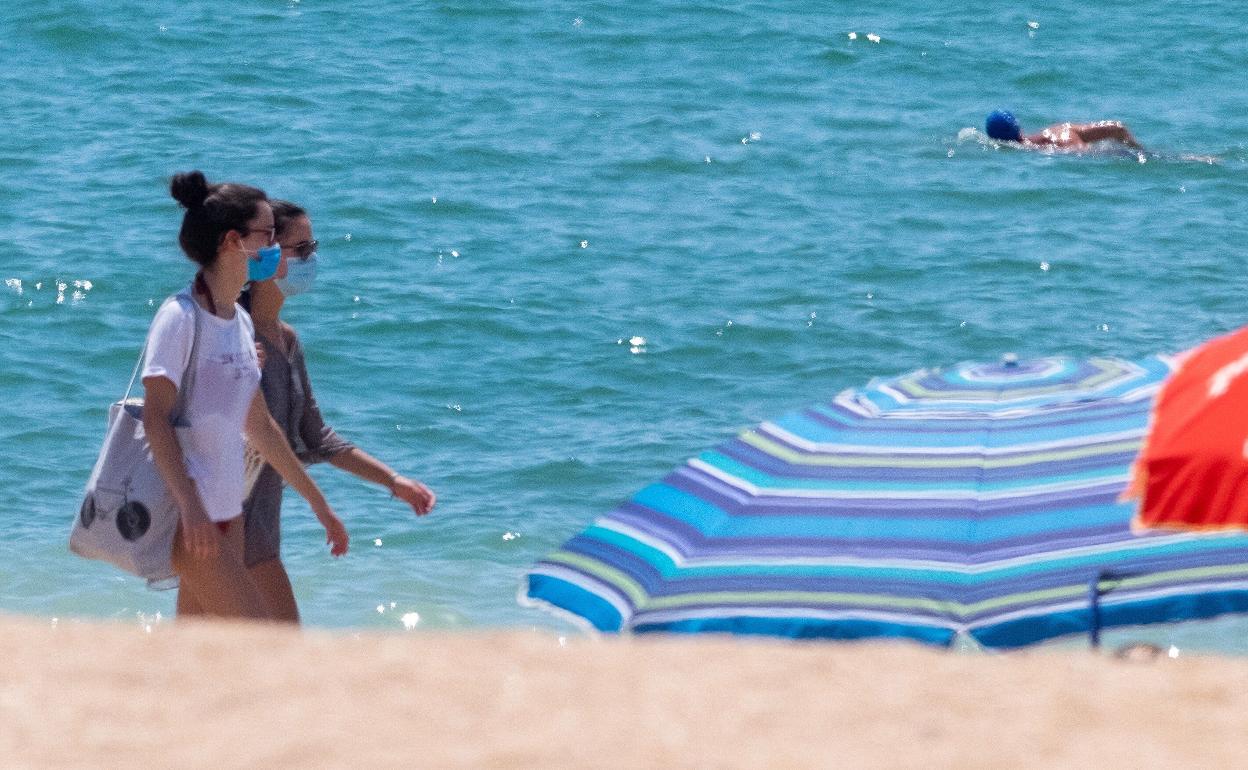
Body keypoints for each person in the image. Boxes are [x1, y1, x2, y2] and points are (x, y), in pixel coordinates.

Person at [144, 171, 349, 621]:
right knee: (257, 643)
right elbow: (154, 418)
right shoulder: (179, 317)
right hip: (196, 524)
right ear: (234, 241)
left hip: (228, 516)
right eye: (268, 235)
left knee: (199, 652)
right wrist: (191, 508)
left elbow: (261, 427)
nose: (275, 247)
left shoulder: (237, 324)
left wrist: (320, 506)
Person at [238, 199, 437, 623]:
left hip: (257, 535)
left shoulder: (285, 342)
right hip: (224, 528)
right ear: (267, 254)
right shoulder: (236, 337)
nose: (313, 259)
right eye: (302, 249)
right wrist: (321, 507)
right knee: (277, 648)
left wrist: (394, 481)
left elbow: (317, 438)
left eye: (314, 247)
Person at [985, 109, 1143, 151]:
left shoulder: (1032, 148)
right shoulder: (1058, 129)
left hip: (1071, 149)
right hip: (1067, 133)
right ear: (1018, 126)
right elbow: (1117, 128)